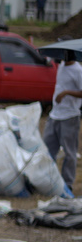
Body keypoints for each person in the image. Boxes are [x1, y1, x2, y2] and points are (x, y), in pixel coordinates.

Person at [44, 50, 82, 192]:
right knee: (48, 149)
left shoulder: (78, 71)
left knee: (69, 152)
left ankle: (68, 184)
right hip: (55, 115)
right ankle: (49, 181)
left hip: (69, 116)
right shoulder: (61, 65)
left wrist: (66, 93)